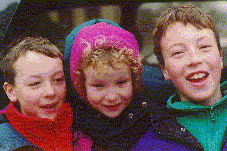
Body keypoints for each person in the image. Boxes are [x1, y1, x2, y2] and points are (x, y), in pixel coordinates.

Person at [64, 19, 175, 150]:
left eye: (121, 83)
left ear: (134, 79)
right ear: (81, 85)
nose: (112, 97)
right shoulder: (69, 114)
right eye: (99, 86)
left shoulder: (160, 98)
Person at [132, 4, 227, 151]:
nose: (194, 60)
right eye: (178, 53)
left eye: (204, 47)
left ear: (220, 57)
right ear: (165, 70)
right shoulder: (149, 146)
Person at [0, 37, 84, 151]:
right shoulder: (4, 142)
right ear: (10, 91)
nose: (51, 92)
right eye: (35, 83)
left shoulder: (86, 127)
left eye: (58, 80)